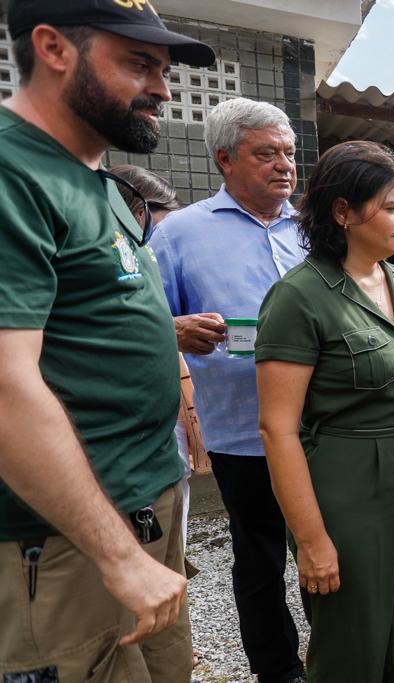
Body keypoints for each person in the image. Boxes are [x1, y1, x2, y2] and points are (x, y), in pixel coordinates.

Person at [0, 1, 214, 680]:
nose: (163, 88)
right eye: (139, 64)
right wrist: (117, 555)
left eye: (165, 69)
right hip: (66, 542)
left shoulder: (96, 181)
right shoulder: (14, 173)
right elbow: (6, 385)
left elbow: (82, 314)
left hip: (141, 510)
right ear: (53, 48)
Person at [255, 140, 394, 681]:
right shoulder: (298, 298)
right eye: (392, 206)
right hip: (347, 487)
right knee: (351, 643)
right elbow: (277, 430)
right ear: (342, 212)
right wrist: (312, 539)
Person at [149, 97, 306, 683]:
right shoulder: (181, 235)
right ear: (224, 159)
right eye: (266, 154)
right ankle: (278, 671)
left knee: (326, 552)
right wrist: (177, 330)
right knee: (261, 559)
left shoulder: (313, 232)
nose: (284, 166)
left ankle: (339, 655)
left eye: (289, 154)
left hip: (320, 429)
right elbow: (142, 323)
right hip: (243, 434)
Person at [109, 164, 209, 544]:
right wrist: (172, 330)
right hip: (124, 445)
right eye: (163, 225)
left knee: (171, 536)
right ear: (138, 212)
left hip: (160, 433)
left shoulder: (141, 258)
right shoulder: (108, 257)